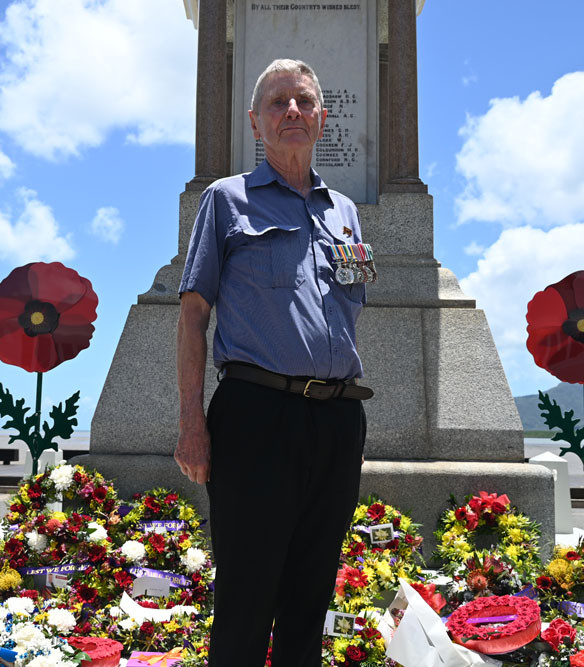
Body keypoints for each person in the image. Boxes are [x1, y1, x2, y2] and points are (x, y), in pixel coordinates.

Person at [175, 58, 373, 666]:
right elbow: (192, 315)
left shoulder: (344, 212)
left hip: (338, 419)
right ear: (256, 123)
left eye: (304, 101)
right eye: (279, 102)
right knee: (247, 594)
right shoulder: (226, 201)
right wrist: (192, 426)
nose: (293, 111)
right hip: (256, 414)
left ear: (322, 117)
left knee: (311, 594)